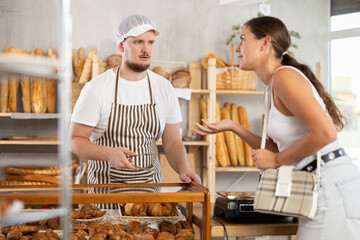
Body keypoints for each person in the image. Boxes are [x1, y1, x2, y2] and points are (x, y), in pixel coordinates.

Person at [193, 16, 360, 239]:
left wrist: (276, 161)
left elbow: (325, 133)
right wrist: (233, 126)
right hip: (317, 189)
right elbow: (275, 148)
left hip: (331, 189)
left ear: (265, 43)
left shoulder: (285, 77)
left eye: (243, 39)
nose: (237, 48)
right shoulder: (271, 87)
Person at [70, 14, 200, 208]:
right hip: (105, 201)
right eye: (138, 42)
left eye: (150, 42)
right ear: (121, 46)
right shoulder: (97, 88)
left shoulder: (163, 88)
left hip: (149, 200)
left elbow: (172, 142)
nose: (145, 49)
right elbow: (75, 140)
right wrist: (108, 154)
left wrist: (183, 169)